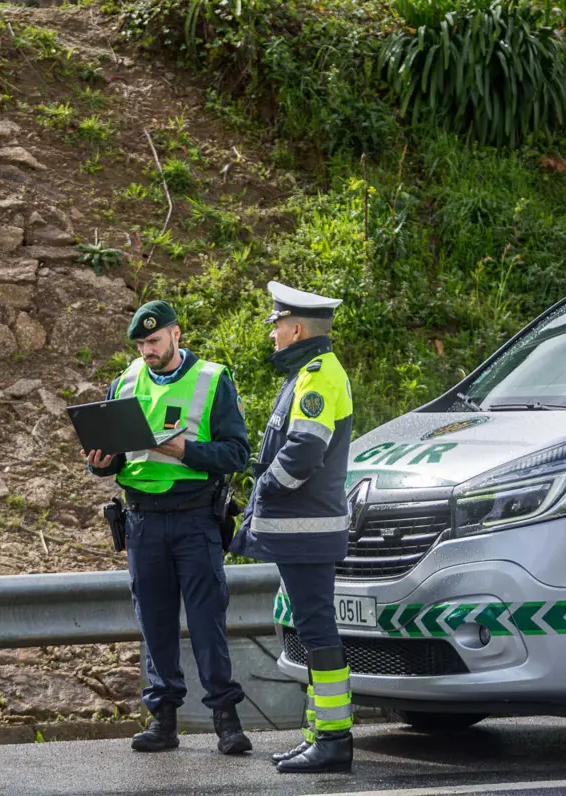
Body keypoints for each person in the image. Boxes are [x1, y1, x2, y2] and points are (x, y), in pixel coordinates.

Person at [84, 300, 253, 755]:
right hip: (141, 520)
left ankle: (226, 721)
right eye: (141, 344)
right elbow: (117, 456)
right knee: (154, 622)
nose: (147, 351)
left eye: (154, 341)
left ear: (177, 335)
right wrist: (101, 463)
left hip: (195, 517)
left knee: (206, 622)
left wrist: (187, 451)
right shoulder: (124, 381)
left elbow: (238, 454)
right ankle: (163, 721)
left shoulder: (212, 379)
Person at [228, 281, 355, 774]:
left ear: (296, 328)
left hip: (308, 531)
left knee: (318, 630)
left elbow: (302, 452)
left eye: (276, 325)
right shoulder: (308, 372)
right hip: (302, 531)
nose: (272, 334)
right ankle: (320, 735)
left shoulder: (319, 374)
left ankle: (334, 740)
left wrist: (265, 492)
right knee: (311, 628)